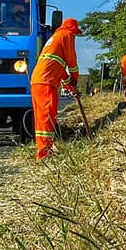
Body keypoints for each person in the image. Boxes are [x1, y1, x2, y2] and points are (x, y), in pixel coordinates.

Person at [30, 17, 81, 161]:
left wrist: (72, 88)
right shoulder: (66, 35)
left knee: (42, 117)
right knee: (47, 116)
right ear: (72, 29)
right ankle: (44, 153)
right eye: (76, 34)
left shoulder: (55, 39)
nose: (75, 36)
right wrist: (75, 78)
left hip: (39, 80)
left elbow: (62, 73)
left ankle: (43, 149)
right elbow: (71, 62)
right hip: (46, 81)